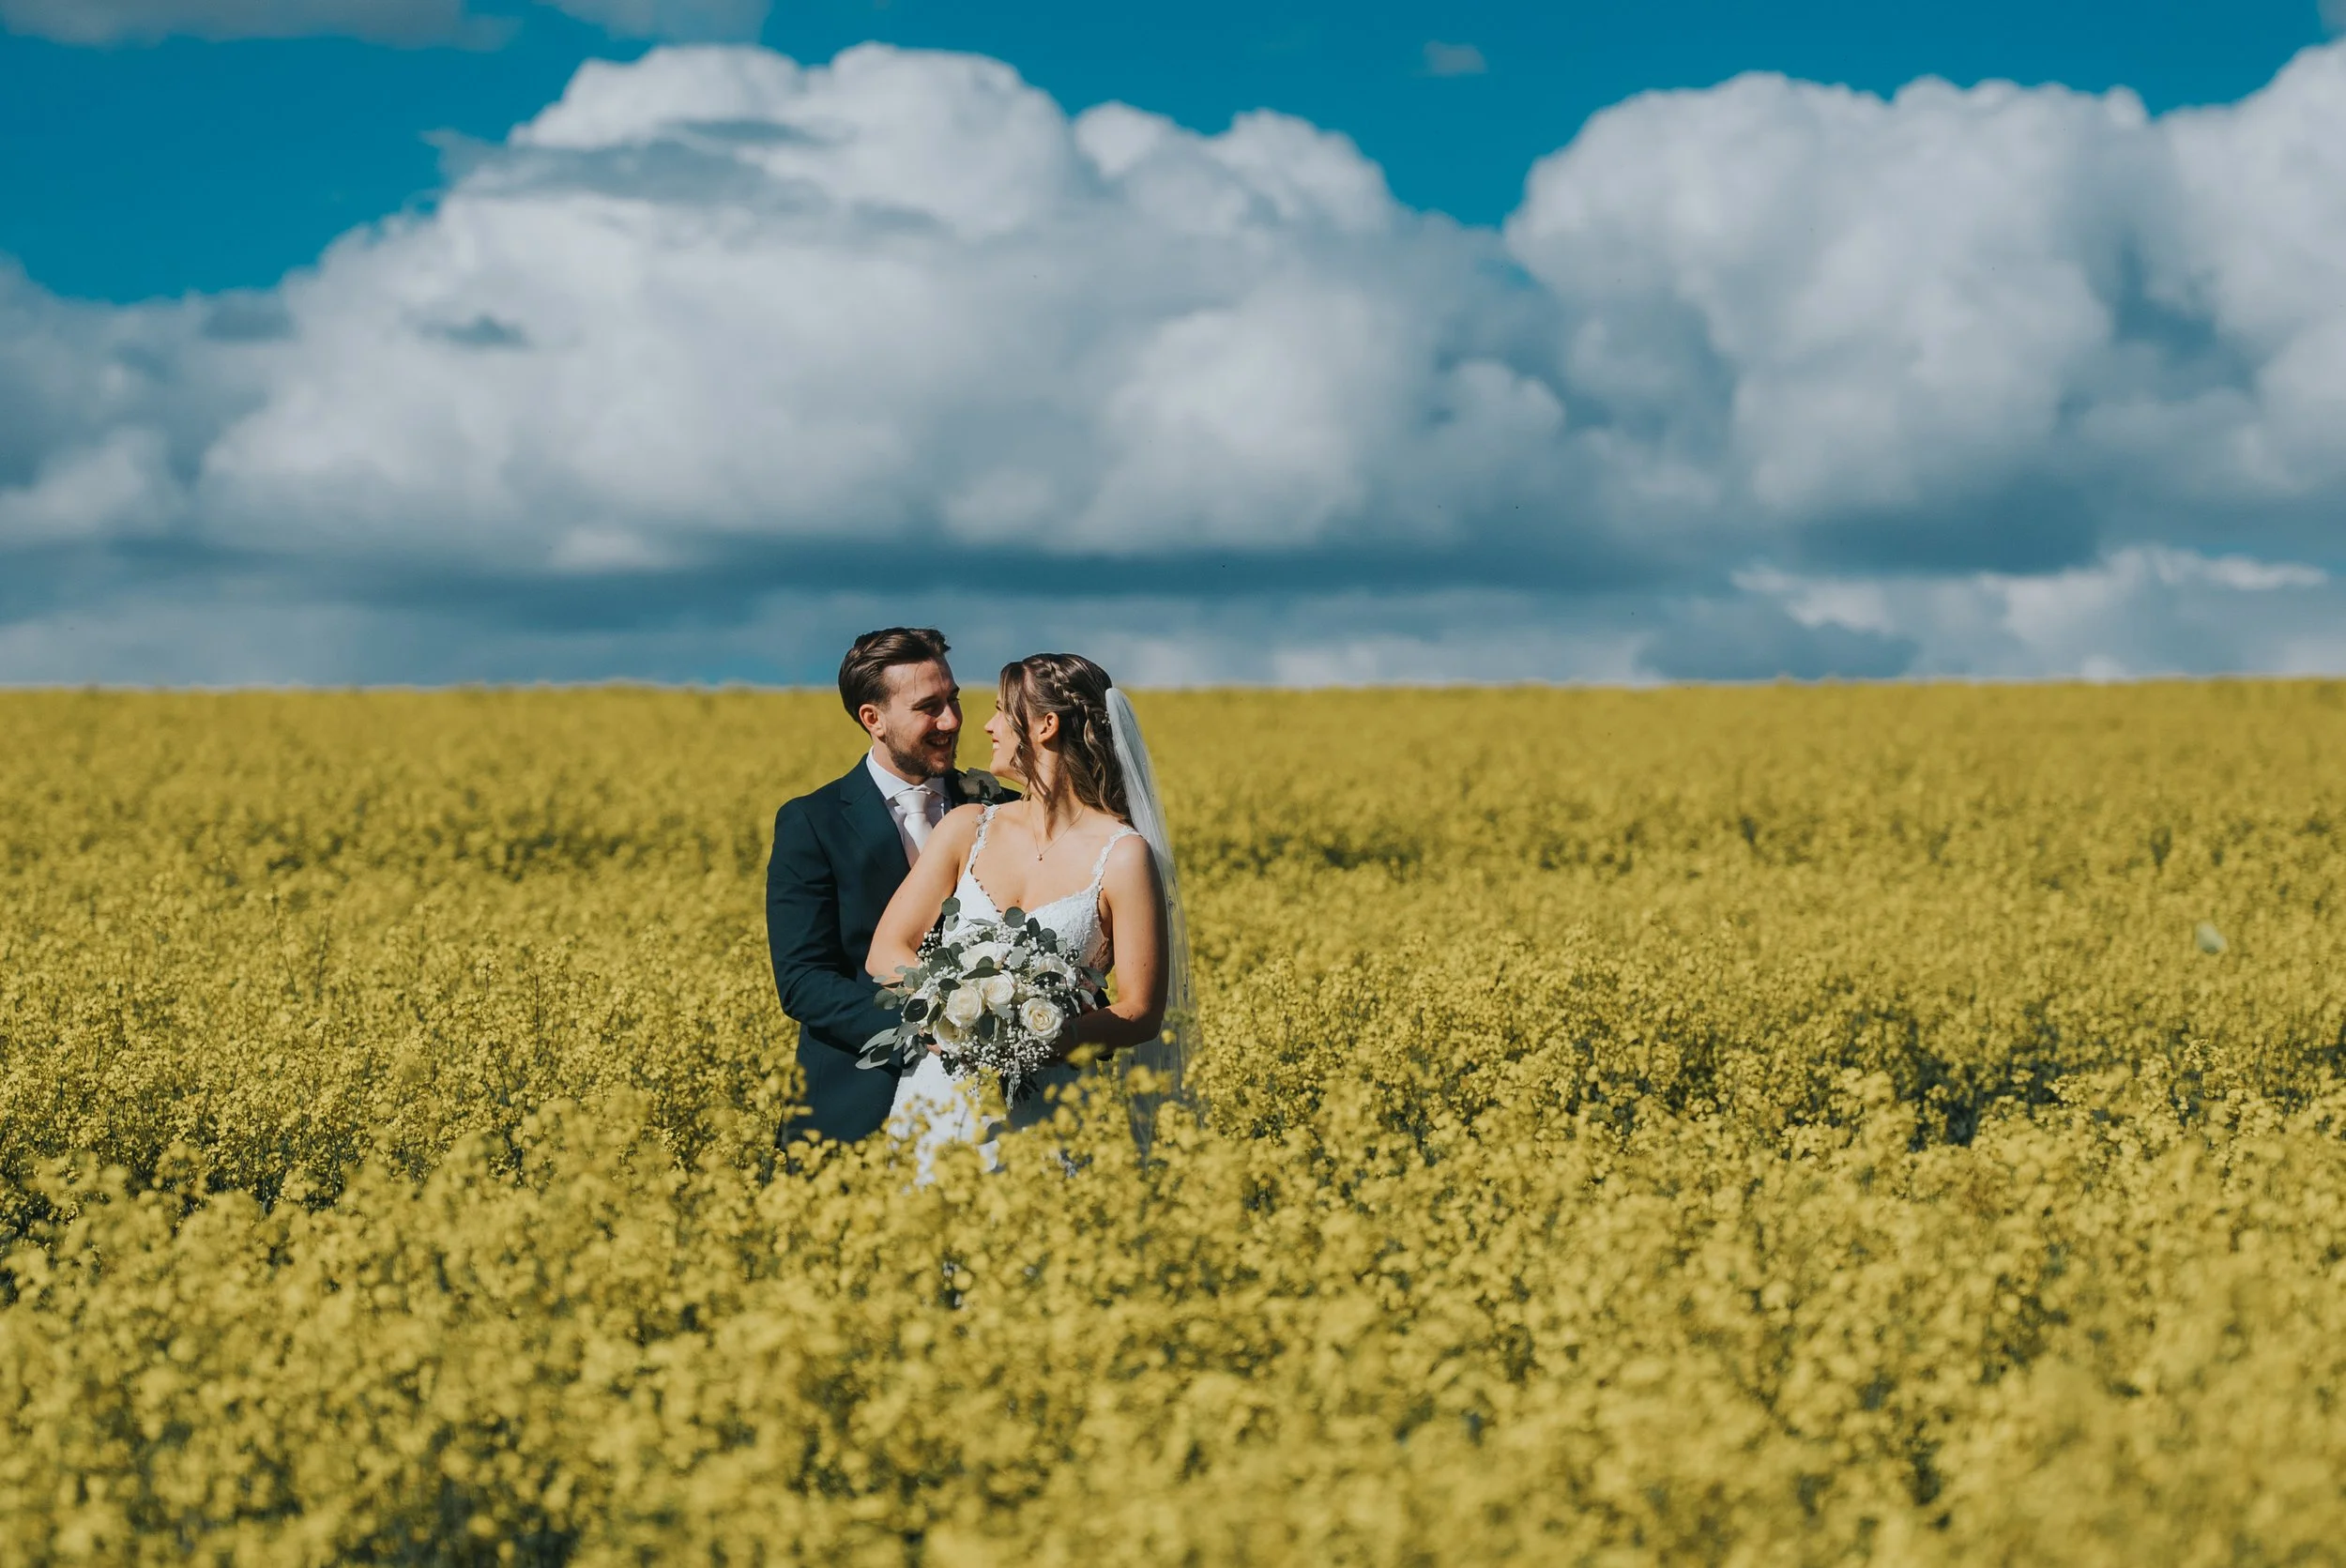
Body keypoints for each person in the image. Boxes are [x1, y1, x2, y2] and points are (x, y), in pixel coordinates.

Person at [865, 652, 1194, 1168]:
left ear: (1045, 725)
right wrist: (949, 1009)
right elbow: (887, 948)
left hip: (1050, 1109)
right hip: (940, 1097)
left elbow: (1140, 1010)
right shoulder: (967, 827)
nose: (988, 725)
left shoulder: (1123, 854)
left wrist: (1049, 1034)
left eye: (1002, 710)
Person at [765, 628, 1013, 1145]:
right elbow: (804, 980)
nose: (950, 721)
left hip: (999, 1109)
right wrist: (936, 1025)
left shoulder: (1005, 811)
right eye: (928, 707)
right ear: (872, 719)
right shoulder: (814, 822)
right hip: (857, 1104)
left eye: (954, 700)